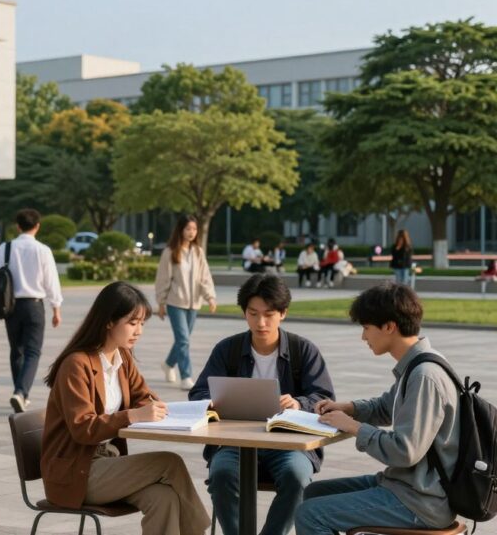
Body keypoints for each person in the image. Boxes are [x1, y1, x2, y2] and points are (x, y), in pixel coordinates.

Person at [41, 281, 211, 535]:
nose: (139, 330)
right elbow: (82, 428)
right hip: (76, 472)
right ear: (109, 321)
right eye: (133, 322)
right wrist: (132, 415)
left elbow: (143, 396)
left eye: (142, 323)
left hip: (106, 462)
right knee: (170, 462)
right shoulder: (76, 365)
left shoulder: (123, 358)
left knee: (163, 498)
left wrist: (158, 408)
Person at [296, 283, 461, 535]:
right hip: (405, 486)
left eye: (366, 328)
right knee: (313, 493)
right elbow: (386, 407)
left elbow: (404, 452)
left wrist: (353, 427)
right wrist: (348, 408)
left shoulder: (425, 375)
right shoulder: (417, 364)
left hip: (420, 502)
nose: (363, 337)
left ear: (389, 326)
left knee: (310, 514)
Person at [189, 274, 335, 535]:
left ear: (283, 313)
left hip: (289, 445)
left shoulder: (303, 351)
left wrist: (298, 403)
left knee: (297, 477)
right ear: (244, 313)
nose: (261, 322)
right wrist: (214, 401)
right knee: (221, 474)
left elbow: (324, 399)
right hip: (235, 443)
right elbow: (198, 392)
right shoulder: (228, 349)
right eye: (253, 313)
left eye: (269, 314)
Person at [0, 209, 63, 411]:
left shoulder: (5, 248)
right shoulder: (42, 250)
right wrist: (56, 308)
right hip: (34, 305)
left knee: (16, 351)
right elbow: (51, 281)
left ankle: (20, 392)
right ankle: (21, 392)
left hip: (11, 306)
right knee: (33, 351)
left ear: (17, 226)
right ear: (37, 226)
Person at [155, 215, 216, 390]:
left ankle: (167, 364)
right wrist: (161, 302)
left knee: (184, 340)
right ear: (181, 230)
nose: (191, 232)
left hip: (193, 304)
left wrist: (210, 297)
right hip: (175, 303)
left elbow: (204, 277)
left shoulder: (198, 252)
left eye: (194, 229)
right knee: (183, 340)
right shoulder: (170, 252)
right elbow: (163, 279)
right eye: (188, 228)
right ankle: (186, 376)